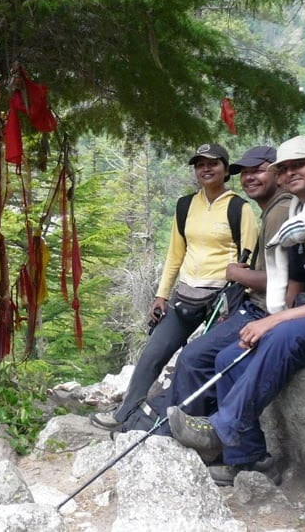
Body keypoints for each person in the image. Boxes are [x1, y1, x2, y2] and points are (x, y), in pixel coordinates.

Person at [168, 136, 305, 486]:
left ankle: (222, 427)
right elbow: (294, 283)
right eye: (285, 168)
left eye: (298, 165)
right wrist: (270, 320)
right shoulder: (299, 217)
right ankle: (249, 460)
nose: (290, 173)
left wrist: (276, 320)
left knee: (284, 334)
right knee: (229, 356)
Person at [89, 143, 259, 431]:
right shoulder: (185, 206)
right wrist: (161, 295)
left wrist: (237, 301)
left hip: (221, 301)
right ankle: (124, 414)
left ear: (226, 169)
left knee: (201, 362)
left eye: (213, 163)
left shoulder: (239, 209)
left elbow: (249, 260)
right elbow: (174, 255)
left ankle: (191, 425)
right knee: (153, 354)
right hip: (185, 296)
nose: (206, 169)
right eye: (199, 164)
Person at [159, 145, 293, 484]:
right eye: (246, 172)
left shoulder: (277, 211)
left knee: (196, 358)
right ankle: (214, 446)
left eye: (259, 170)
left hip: (265, 310)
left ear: (277, 172)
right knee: (202, 356)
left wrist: (238, 276)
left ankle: (198, 444)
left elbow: (287, 279)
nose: (250, 177)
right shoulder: (271, 209)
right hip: (252, 305)